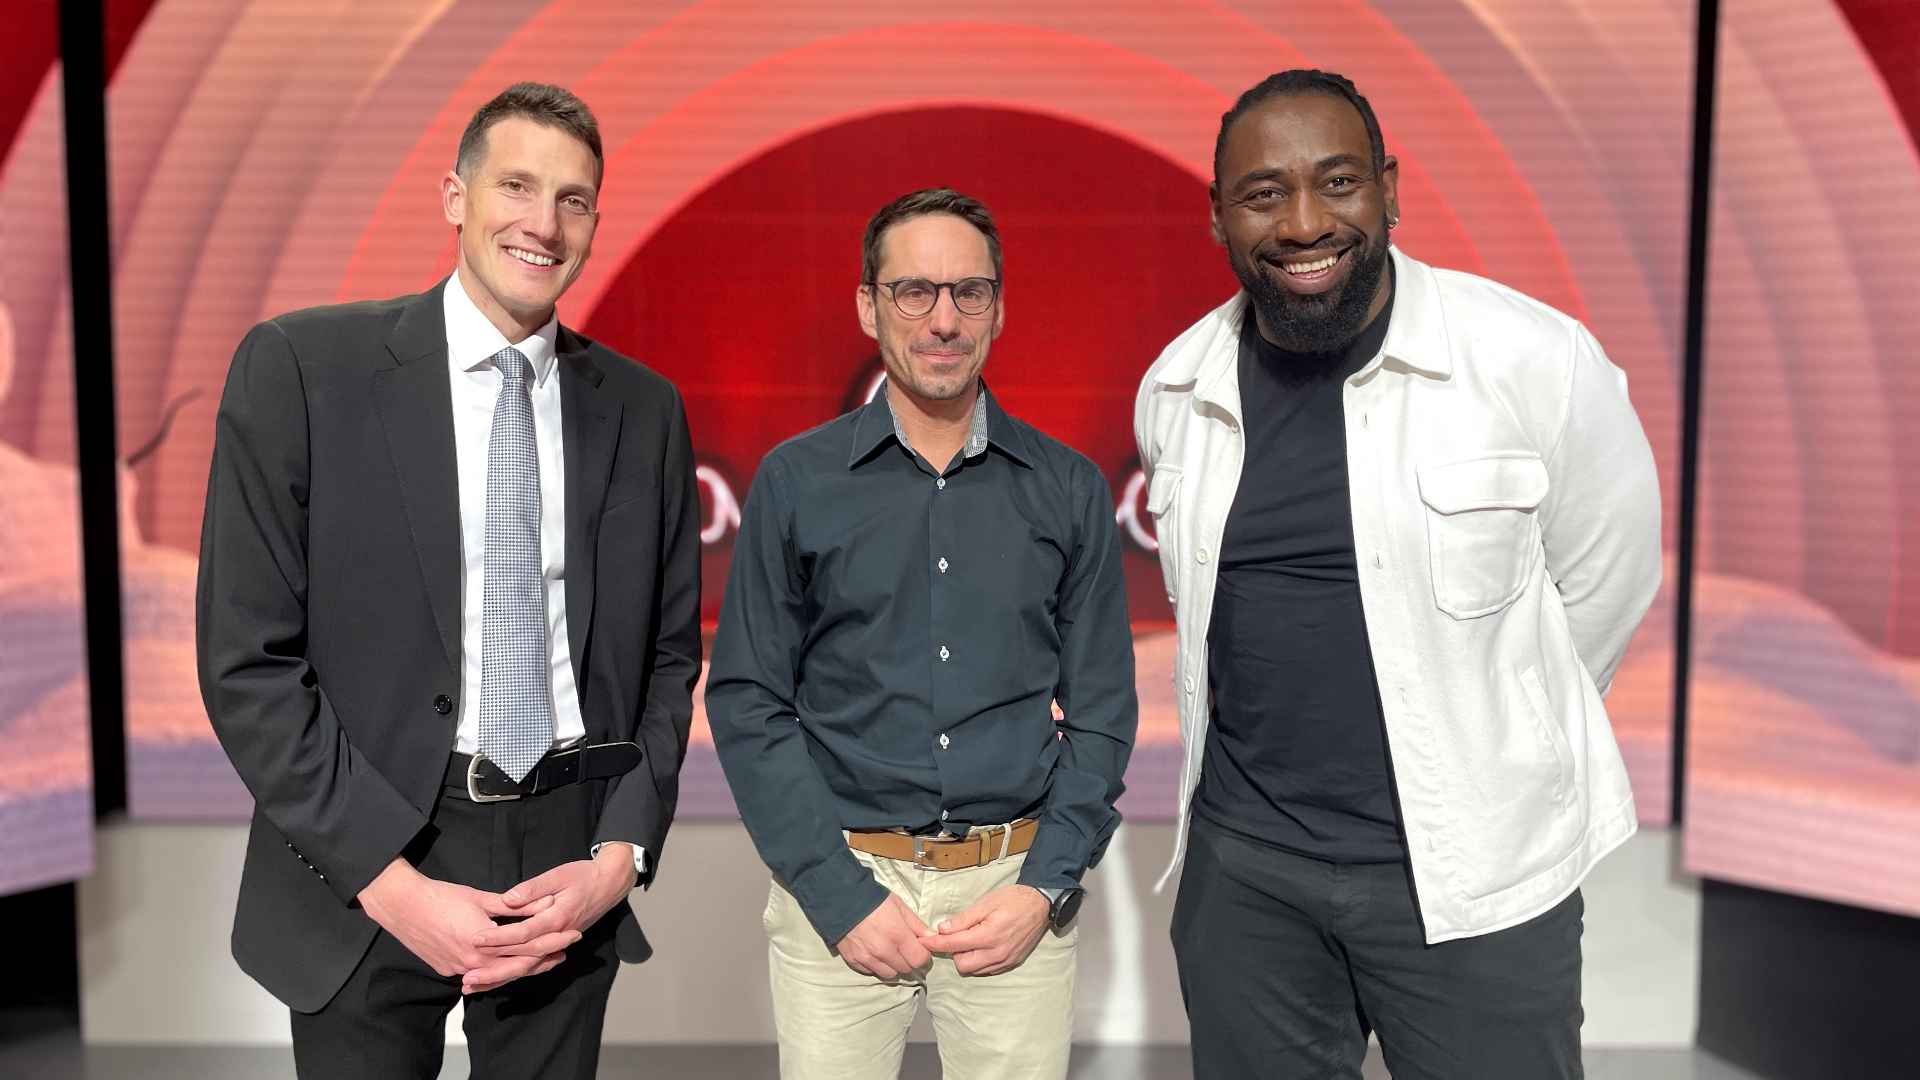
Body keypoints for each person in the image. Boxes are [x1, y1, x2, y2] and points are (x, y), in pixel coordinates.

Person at [1135, 70, 1661, 1080]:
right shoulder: (1177, 386)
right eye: (1263, 194)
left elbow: (1608, 583)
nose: (1303, 223)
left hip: (1477, 877)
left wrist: (1503, 737)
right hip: (1248, 879)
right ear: (1218, 217)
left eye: (1337, 182)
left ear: (1389, 189)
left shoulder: (1533, 359)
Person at [196, 82, 700, 1079]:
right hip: (364, 856)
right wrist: (391, 887)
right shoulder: (302, 369)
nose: (543, 223)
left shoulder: (644, 411)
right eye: (516, 186)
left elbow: (668, 657)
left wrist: (617, 859)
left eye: (573, 199)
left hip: (566, 862)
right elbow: (247, 663)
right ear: (454, 197)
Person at [706, 187, 1138, 1080]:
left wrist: (1044, 886)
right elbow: (748, 702)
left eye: (969, 292)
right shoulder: (795, 482)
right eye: (914, 292)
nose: (944, 320)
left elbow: (1102, 712)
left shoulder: (1067, 488)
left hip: (1012, 896)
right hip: (846, 888)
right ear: (869, 307)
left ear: (998, 310)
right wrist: (835, 893)